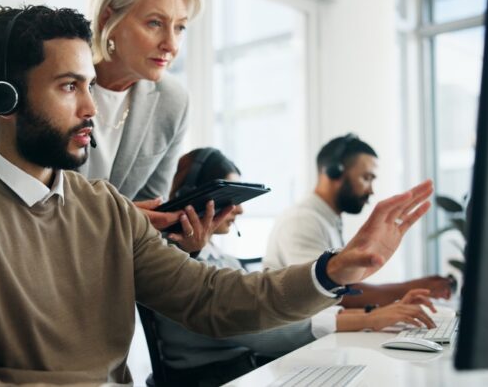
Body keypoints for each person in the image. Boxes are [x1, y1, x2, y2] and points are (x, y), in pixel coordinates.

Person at [0, 6, 434, 385]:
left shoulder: (100, 206)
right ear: (4, 100)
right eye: (68, 87)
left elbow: (212, 300)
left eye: (88, 84)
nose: (90, 109)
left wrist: (334, 269)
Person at [153, 148, 437, 386]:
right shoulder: (171, 263)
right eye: (232, 197)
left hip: (244, 371)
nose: (239, 209)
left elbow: (261, 314)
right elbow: (257, 328)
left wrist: (373, 314)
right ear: (195, 196)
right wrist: (370, 318)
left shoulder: (219, 258)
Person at [83, 0, 230, 254]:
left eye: (180, 27)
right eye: (154, 23)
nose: (171, 44)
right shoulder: (61, 80)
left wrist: (185, 244)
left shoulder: (172, 101)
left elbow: (152, 209)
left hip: (116, 267)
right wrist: (120, 216)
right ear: (107, 19)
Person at [264, 134, 453, 308]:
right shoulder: (302, 221)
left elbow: (342, 286)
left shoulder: (327, 219)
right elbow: (326, 294)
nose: (371, 190)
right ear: (333, 172)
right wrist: (413, 288)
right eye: (366, 178)